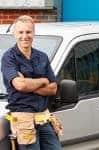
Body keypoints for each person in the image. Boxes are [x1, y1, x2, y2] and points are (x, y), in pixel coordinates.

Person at [1, 15, 62, 150]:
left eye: (28, 32)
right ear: (14, 34)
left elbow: (53, 88)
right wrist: (42, 80)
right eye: (20, 32)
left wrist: (28, 84)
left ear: (34, 33)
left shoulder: (42, 57)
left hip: (44, 118)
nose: (25, 36)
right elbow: (20, 85)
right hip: (24, 120)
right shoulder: (8, 58)